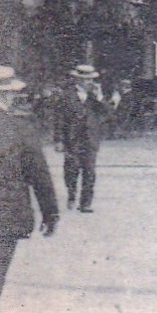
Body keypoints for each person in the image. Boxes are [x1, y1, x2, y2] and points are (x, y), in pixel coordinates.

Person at [0, 65, 59, 313]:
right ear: (9, 96)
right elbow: (40, 176)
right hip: (7, 217)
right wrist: (50, 213)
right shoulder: (22, 129)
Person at [58, 64, 108, 213]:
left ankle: (85, 203)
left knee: (90, 172)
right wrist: (59, 140)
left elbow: (108, 113)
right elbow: (60, 119)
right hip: (72, 139)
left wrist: (99, 97)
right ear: (77, 80)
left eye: (91, 80)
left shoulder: (95, 97)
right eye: (86, 80)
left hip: (90, 139)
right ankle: (71, 195)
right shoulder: (66, 96)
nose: (89, 83)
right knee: (71, 171)